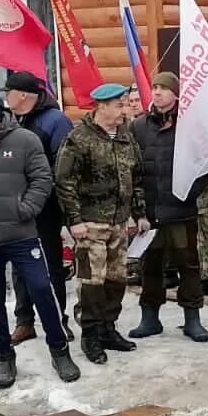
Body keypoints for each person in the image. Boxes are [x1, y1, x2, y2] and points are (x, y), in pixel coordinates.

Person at [0, 90, 80, 388]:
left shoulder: (24, 141)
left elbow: (42, 178)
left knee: (40, 289)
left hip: (21, 235)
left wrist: (27, 209)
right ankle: (3, 356)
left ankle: (59, 350)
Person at [55, 82, 148, 365]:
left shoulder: (125, 137)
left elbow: (137, 177)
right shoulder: (78, 138)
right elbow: (64, 181)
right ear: (102, 106)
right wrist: (74, 220)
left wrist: (139, 213)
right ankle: (90, 334)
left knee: (116, 278)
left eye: (125, 104)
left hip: (119, 223)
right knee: (91, 282)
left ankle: (109, 328)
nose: (124, 110)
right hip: (90, 224)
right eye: (119, 105)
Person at [129, 71, 208, 343]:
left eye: (164, 88)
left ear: (176, 93)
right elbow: (132, 170)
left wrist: (189, 192)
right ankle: (149, 318)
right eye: (154, 87)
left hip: (181, 211)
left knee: (188, 265)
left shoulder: (190, 126)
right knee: (150, 265)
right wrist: (138, 210)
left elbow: (206, 166)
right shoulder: (138, 127)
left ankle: (192, 319)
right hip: (150, 212)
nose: (157, 92)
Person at [2, 71, 73, 345]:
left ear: (23, 95)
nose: (5, 97)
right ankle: (24, 321)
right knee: (19, 265)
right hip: (14, 207)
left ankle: (57, 320)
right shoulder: (8, 121)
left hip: (45, 208)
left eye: (8, 92)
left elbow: (64, 169)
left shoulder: (56, 121)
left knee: (49, 265)